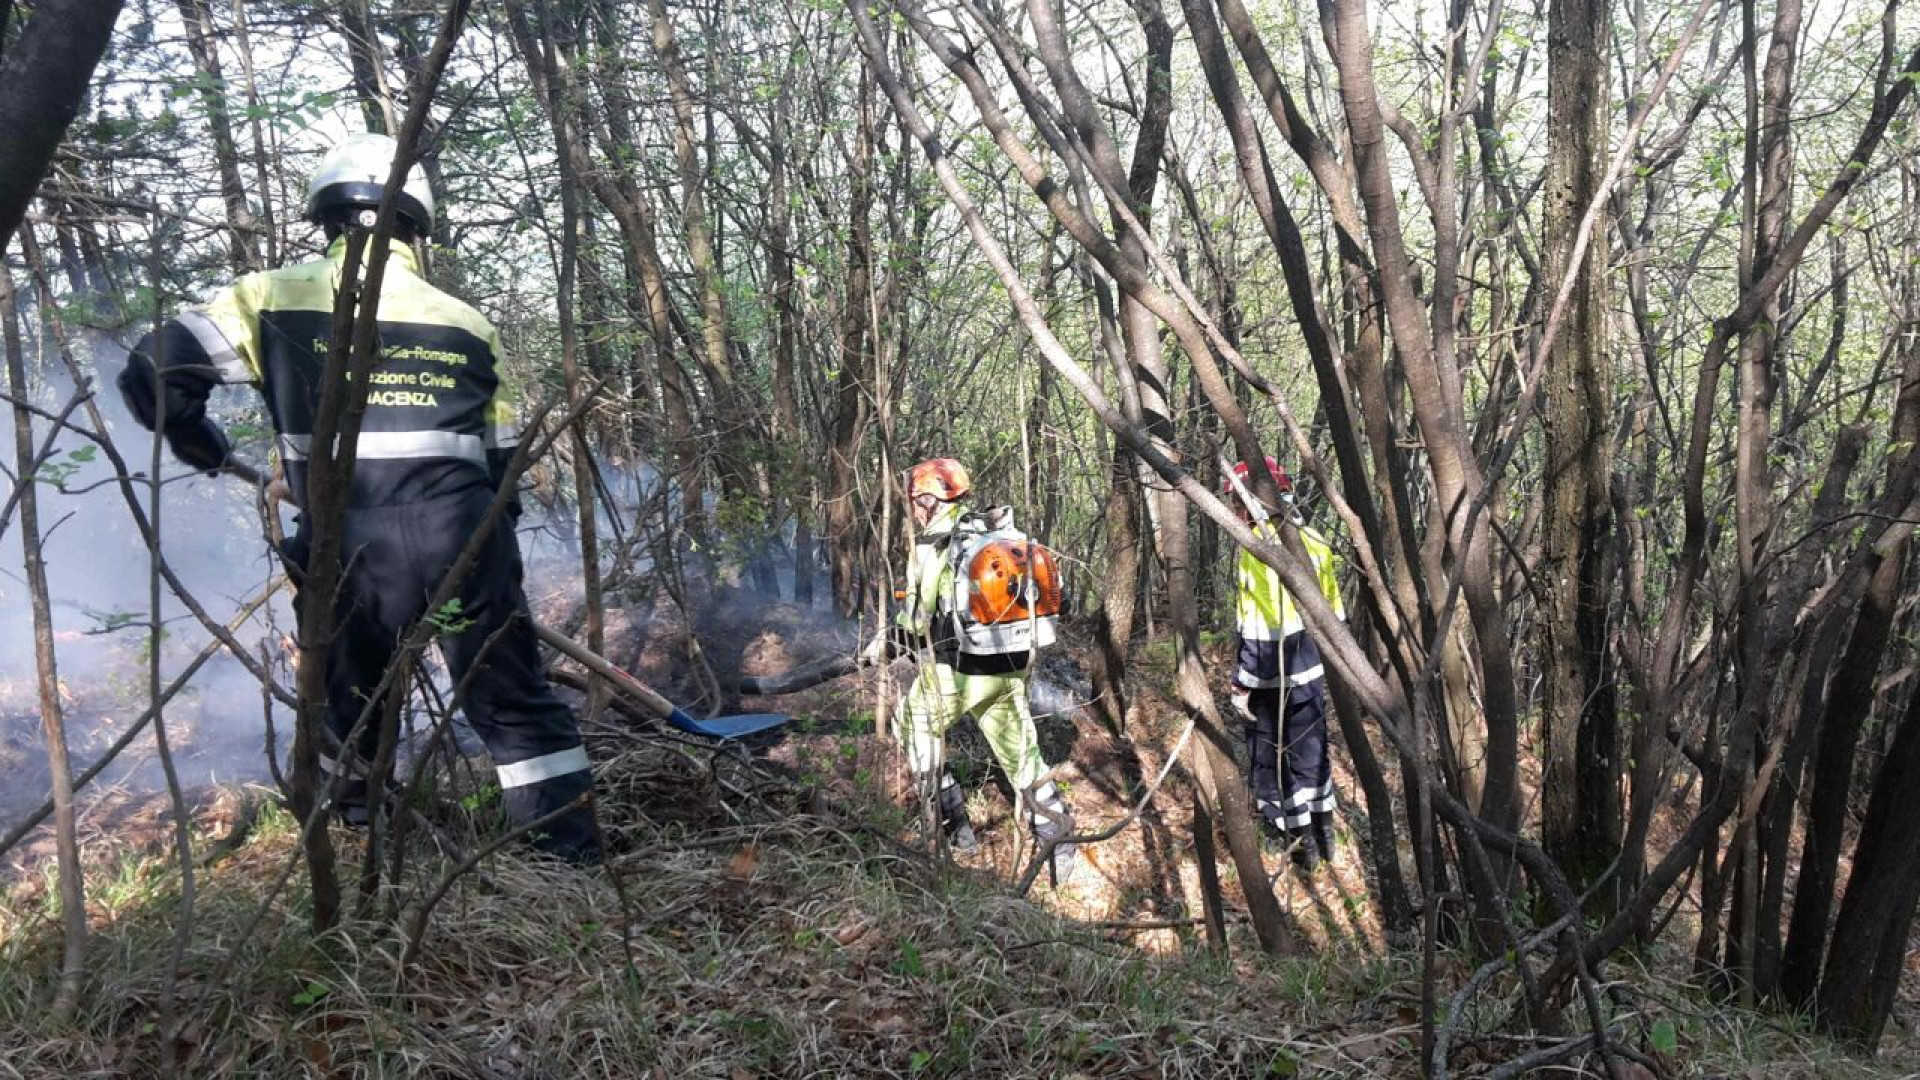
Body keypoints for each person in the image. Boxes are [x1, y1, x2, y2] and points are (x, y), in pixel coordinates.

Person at [117, 133, 600, 862]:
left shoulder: (268, 297)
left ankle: (356, 845)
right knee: (514, 703)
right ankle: (569, 857)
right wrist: (491, 566)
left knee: (350, 704)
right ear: (416, 226)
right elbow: (503, 468)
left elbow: (153, 373)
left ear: (326, 217)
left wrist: (202, 445)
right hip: (464, 533)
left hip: (348, 544)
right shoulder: (466, 322)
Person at [868, 457, 1078, 884]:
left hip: (963, 671)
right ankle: (1060, 843)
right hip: (1014, 667)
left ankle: (953, 826)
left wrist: (885, 643)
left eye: (915, 501)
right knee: (1022, 755)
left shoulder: (934, 546)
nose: (913, 510)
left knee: (912, 722)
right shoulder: (1000, 533)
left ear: (928, 501)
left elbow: (916, 620)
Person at [1224, 456, 1342, 869]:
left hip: (1271, 677)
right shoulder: (1314, 538)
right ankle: (1324, 836)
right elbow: (1335, 614)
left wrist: (1243, 684)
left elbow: (1260, 627)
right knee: (1311, 751)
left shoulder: (1258, 549)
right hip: (1312, 670)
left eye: (1236, 502)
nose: (1234, 511)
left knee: (1270, 757)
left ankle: (1290, 839)